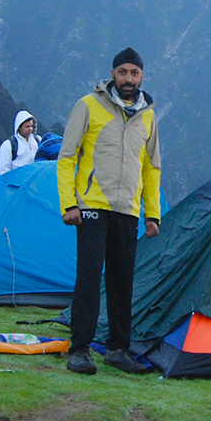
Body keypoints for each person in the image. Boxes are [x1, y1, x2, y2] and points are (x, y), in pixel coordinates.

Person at [57, 47, 161, 376]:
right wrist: (69, 203)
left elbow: (152, 168)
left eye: (134, 73)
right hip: (92, 206)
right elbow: (67, 157)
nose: (128, 79)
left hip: (127, 210)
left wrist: (152, 214)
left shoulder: (147, 116)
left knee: (122, 282)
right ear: (113, 75)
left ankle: (118, 349)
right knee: (88, 278)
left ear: (142, 76)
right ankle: (80, 349)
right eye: (122, 72)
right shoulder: (88, 105)